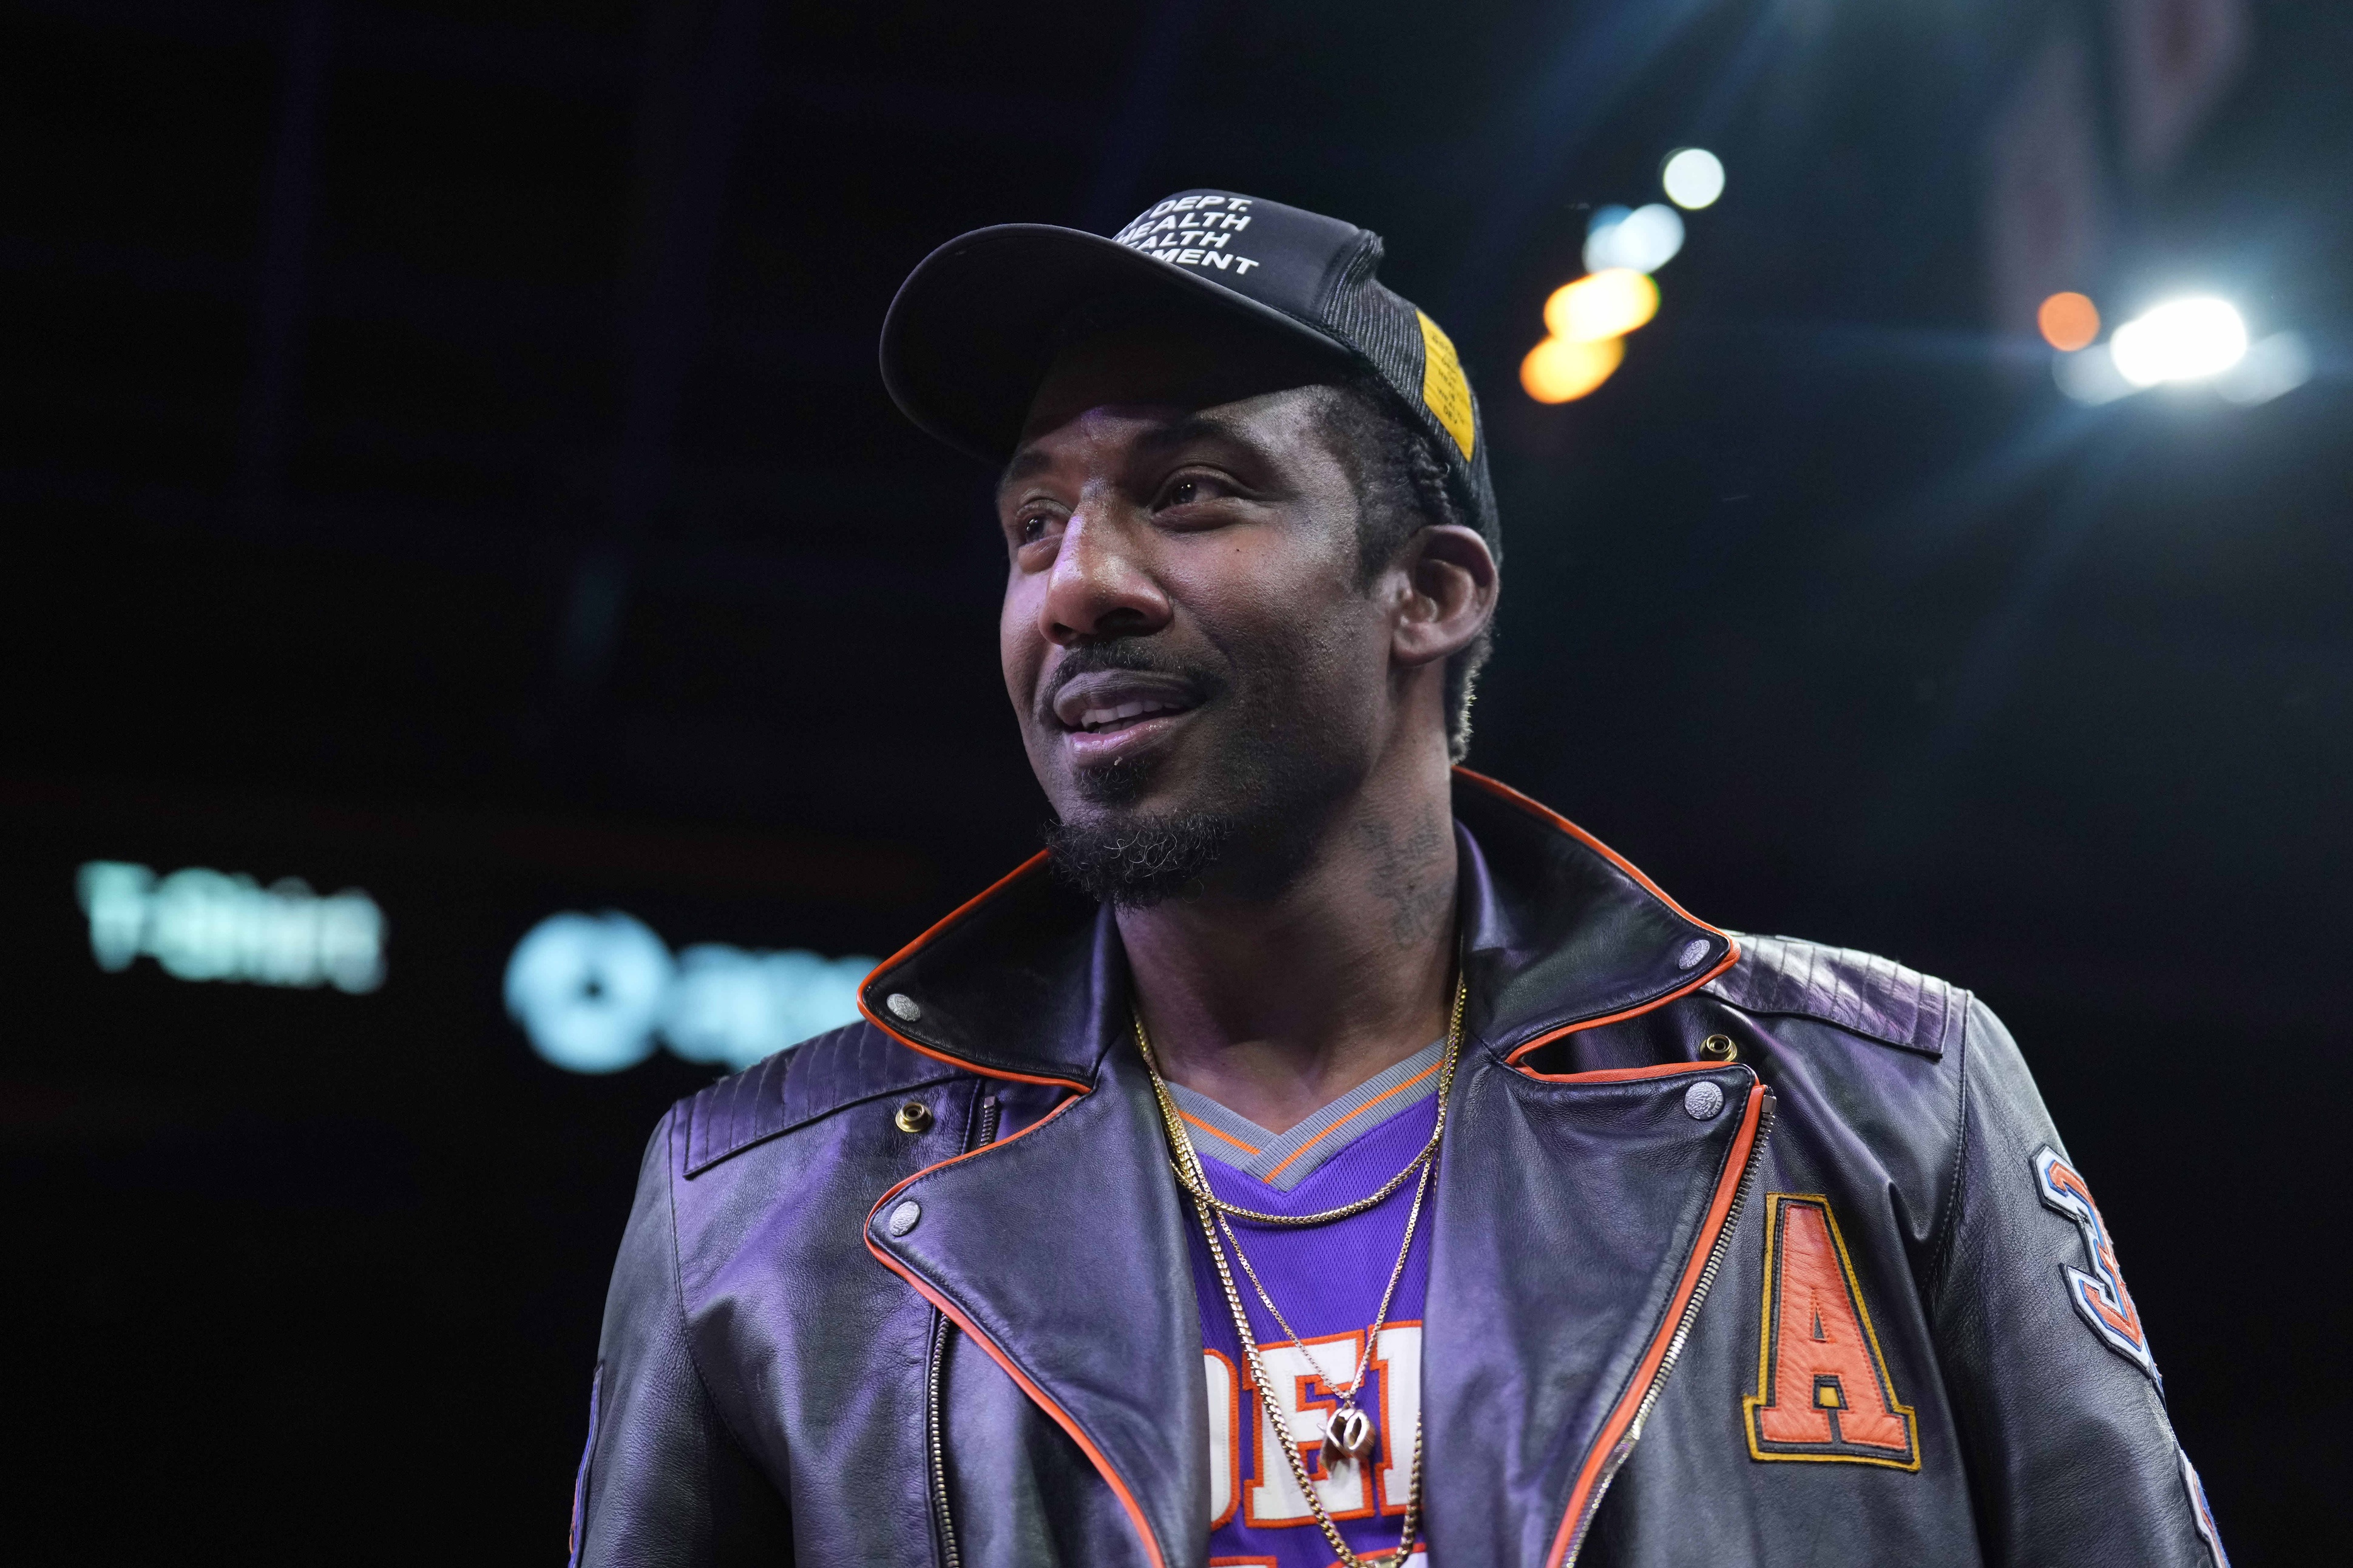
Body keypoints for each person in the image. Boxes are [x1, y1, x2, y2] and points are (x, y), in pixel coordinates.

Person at [569, 190, 2229, 1568]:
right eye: (1033, 524)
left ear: (1428, 593)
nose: (1076, 588)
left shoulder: (1886, 1095)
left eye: (1189, 495)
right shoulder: (759, 1208)